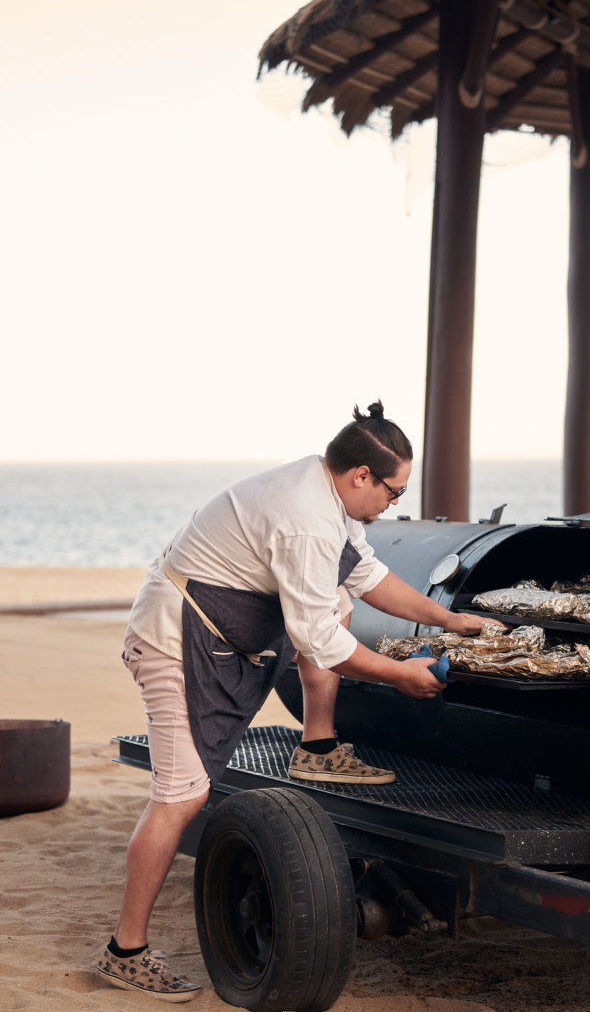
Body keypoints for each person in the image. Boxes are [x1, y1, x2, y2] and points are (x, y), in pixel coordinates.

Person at [96, 400, 498, 1002]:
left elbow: (366, 576)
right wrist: (399, 675)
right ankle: (124, 952)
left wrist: (447, 618)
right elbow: (321, 643)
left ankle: (317, 745)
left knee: (334, 598)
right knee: (182, 794)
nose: (395, 503)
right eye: (394, 491)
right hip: (175, 637)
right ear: (361, 475)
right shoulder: (307, 517)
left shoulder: (329, 496)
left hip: (224, 636)